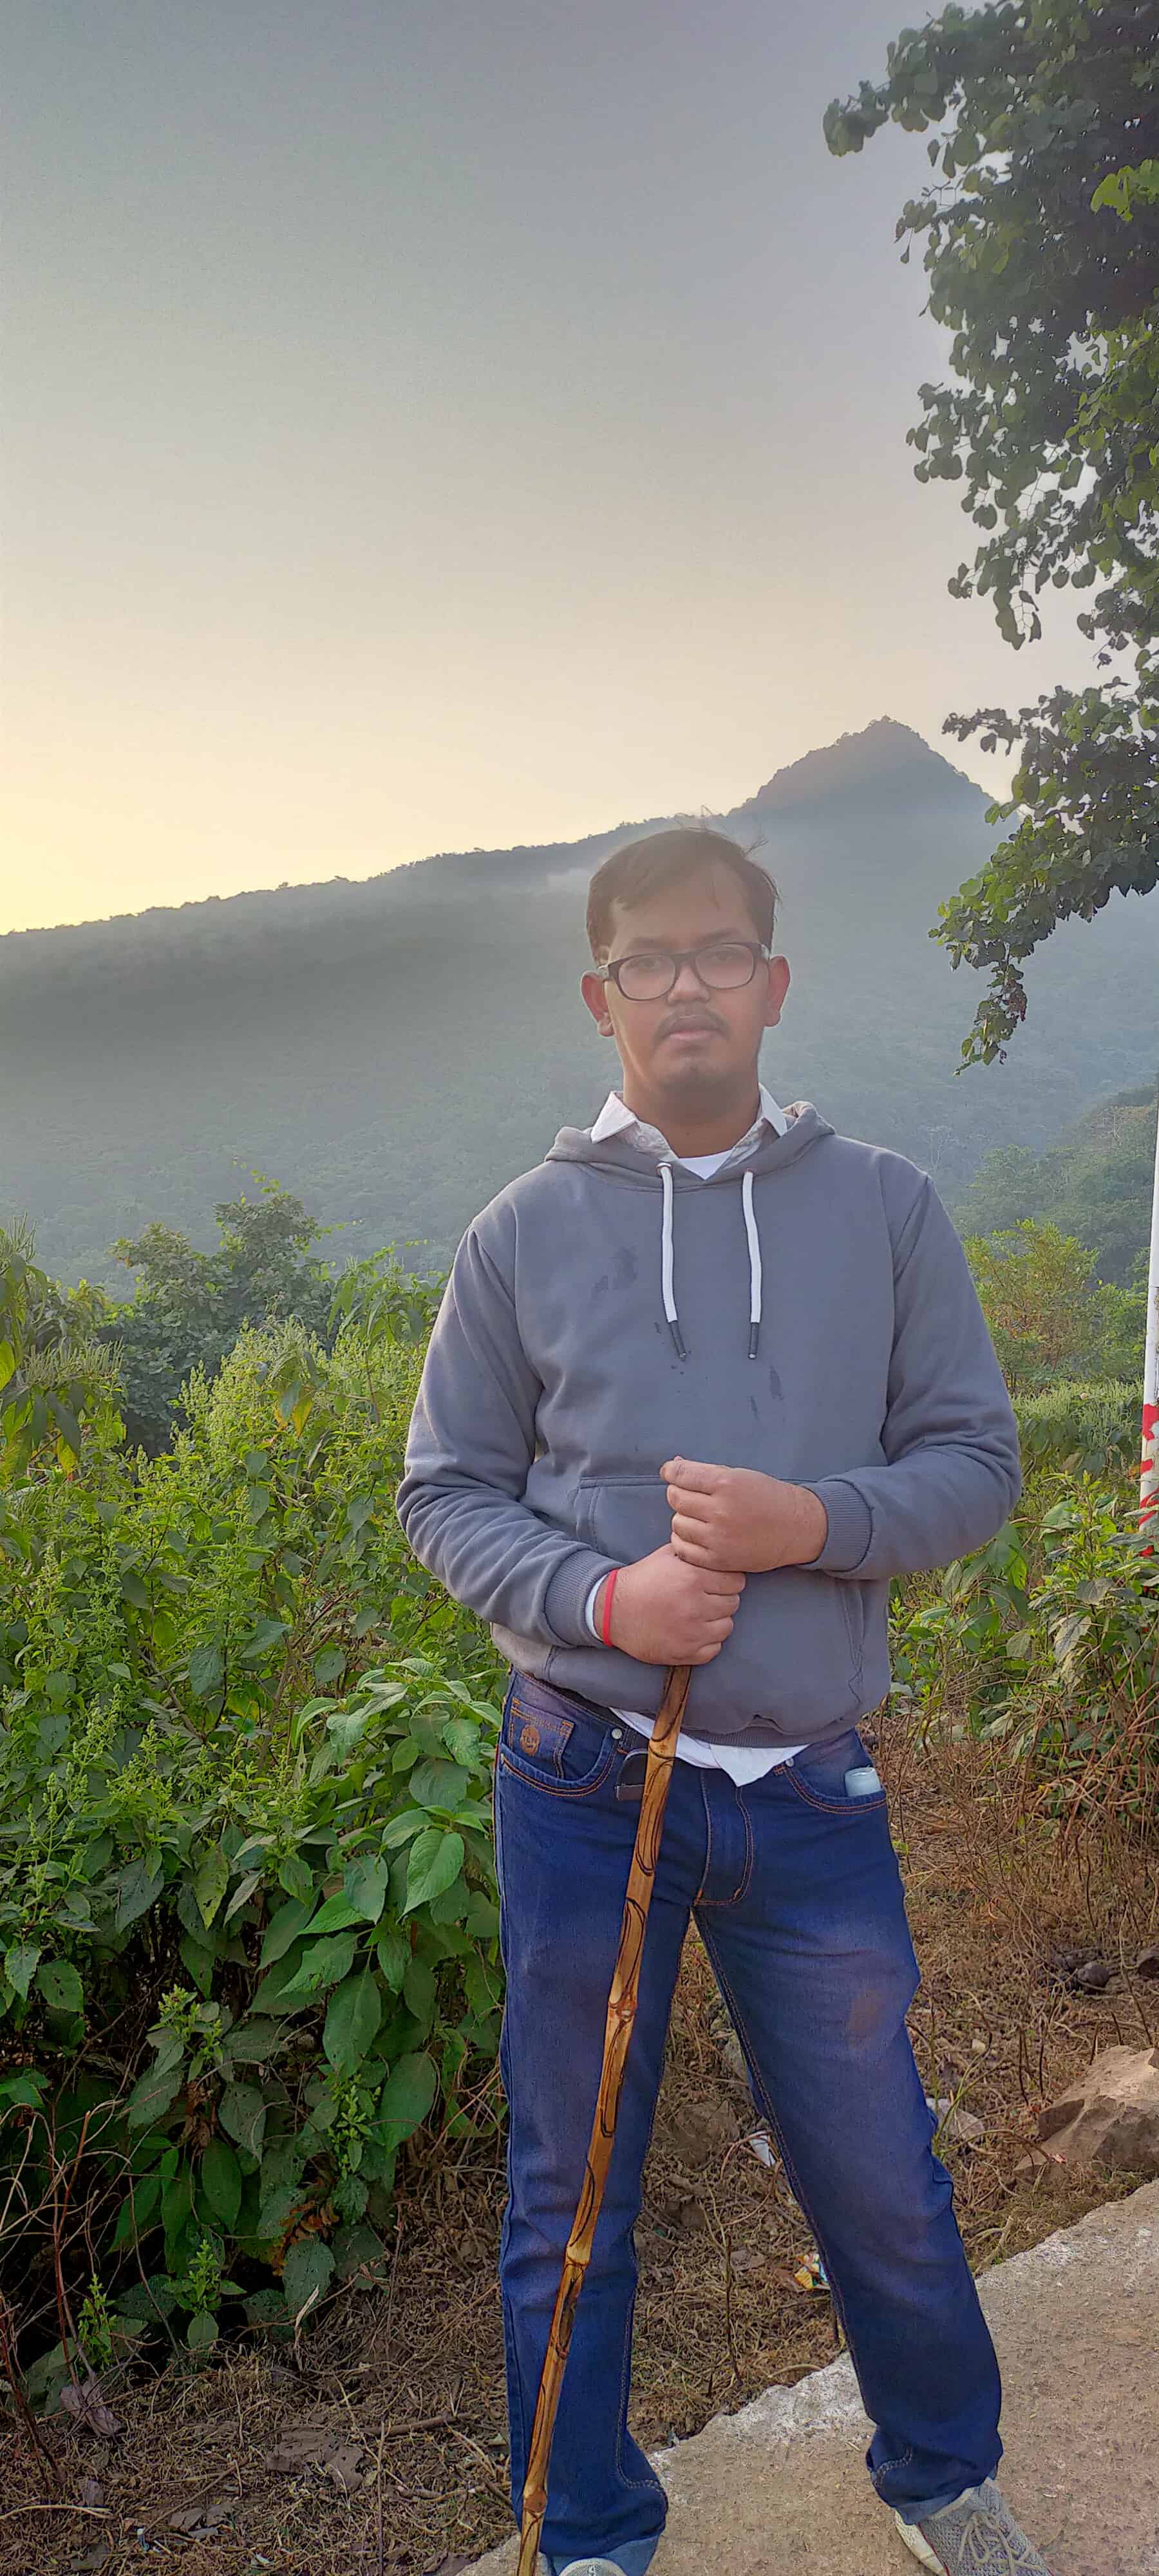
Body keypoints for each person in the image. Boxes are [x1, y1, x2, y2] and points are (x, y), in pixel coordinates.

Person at [397, 826, 1055, 2576]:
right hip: (582, 1779)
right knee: (572, 2192)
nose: (683, 985)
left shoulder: (886, 1208)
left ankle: (942, 2477)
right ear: (599, 995)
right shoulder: (521, 1233)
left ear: (772, 984)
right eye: (647, 959)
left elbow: (977, 1465)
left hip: (810, 1788)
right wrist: (603, 1600)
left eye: (716, 954)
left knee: (880, 2171)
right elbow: (444, 1491)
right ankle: (585, 2532)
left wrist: (804, 1526)